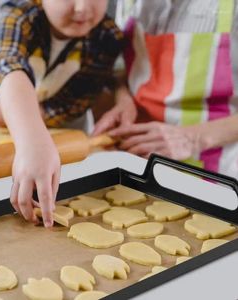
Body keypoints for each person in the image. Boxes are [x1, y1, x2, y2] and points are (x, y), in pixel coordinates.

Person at [0, 0, 124, 226]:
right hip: (0, 136)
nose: (82, 7)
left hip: (60, 140)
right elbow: (7, 63)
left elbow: (60, 111)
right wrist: (32, 139)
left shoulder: (108, 37)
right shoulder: (20, 13)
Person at [94, 0, 238, 178]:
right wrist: (124, 98)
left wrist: (192, 138)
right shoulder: (126, 3)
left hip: (217, 171)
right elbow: (121, 67)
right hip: (138, 158)